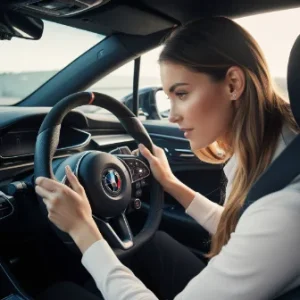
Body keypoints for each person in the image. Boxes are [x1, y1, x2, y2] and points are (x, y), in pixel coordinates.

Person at [35, 16, 300, 300]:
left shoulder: (284, 207)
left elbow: (263, 226)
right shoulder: (277, 151)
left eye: (182, 94)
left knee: (59, 293)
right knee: (152, 245)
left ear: (233, 84)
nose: (172, 116)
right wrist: (172, 183)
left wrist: (82, 229)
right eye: (168, 98)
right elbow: (243, 227)